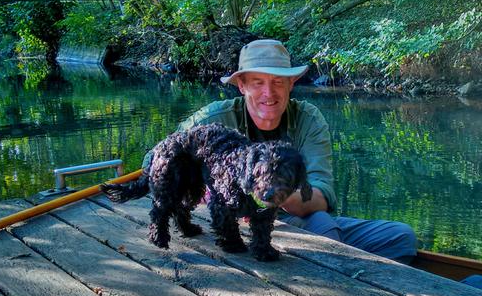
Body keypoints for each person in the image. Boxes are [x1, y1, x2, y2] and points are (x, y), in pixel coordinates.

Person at [146, 38, 417, 263]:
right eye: (258, 82)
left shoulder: (309, 119)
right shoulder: (213, 119)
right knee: (324, 229)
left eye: (278, 82)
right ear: (241, 86)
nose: (269, 93)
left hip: (290, 215)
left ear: (291, 84)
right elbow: (155, 159)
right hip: (235, 218)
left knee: (400, 237)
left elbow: (321, 196)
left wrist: (272, 192)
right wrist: (200, 186)